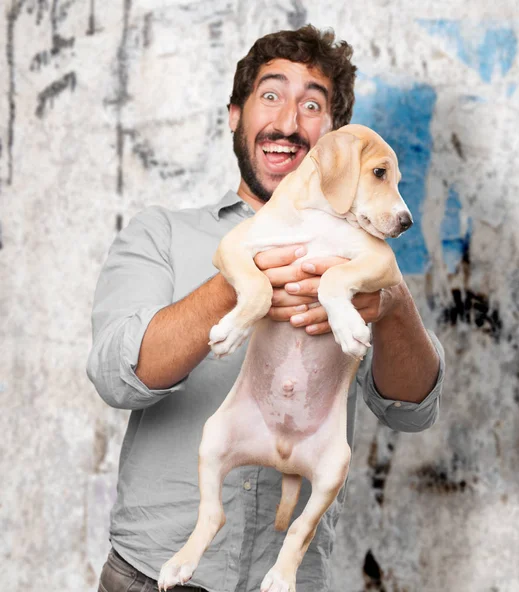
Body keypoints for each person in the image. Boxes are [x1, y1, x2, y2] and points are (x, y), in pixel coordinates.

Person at [88, 24, 445, 592]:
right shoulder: (161, 233)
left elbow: (413, 412)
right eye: (270, 96)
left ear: (336, 136)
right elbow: (117, 378)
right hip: (150, 575)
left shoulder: (364, 254)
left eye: (312, 105)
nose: (287, 122)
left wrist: (392, 304)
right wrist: (238, 282)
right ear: (235, 114)